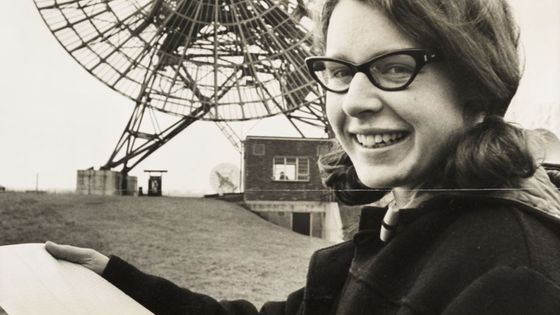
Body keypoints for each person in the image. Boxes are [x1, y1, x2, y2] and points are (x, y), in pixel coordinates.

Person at [46, 0, 560, 313]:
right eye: (339, 70)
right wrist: (118, 277)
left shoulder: (512, 276)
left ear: (477, 85)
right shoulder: (397, 225)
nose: (356, 101)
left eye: (396, 66)